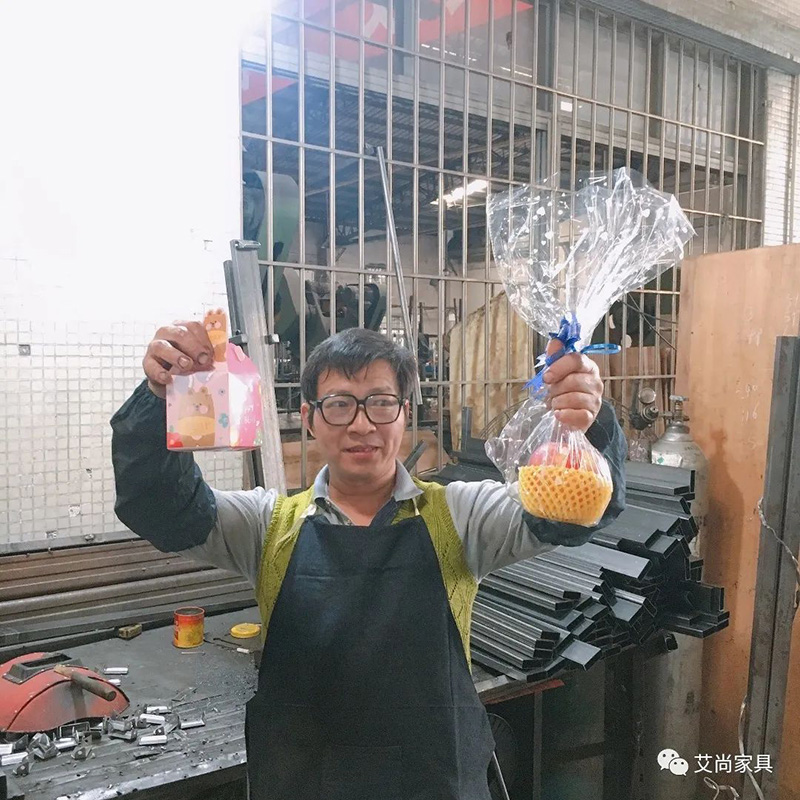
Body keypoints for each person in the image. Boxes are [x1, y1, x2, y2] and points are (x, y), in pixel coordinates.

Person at [111, 321, 626, 800]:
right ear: (310, 419)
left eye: (380, 403)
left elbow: (570, 515)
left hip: (434, 784)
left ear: (405, 414)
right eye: (339, 405)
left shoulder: (461, 517)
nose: (361, 425)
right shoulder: (266, 526)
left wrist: (588, 423)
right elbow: (166, 511)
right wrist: (159, 397)